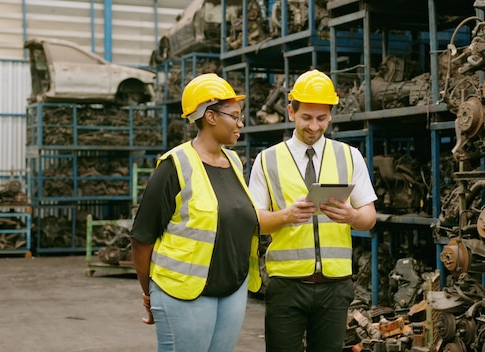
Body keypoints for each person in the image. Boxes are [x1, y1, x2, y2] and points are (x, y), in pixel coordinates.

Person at [248, 69, 378, 352]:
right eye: (306, 117)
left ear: (331, 115)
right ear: (291, 112)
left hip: (335, 286)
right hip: (287, 285)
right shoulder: (267, 160)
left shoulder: (349, 156)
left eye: (322, 118)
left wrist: (353, 217)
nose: (314, 126)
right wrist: (286, 216)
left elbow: (369, 217)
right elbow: (255, 222)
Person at [130, 73, 261, 352]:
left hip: (231, 289)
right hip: (183, 292)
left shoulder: (234, 161)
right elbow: (142, 238)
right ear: (211, 117)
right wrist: (148, 292)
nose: (240, 124)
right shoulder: (173, 166)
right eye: (234, 116)